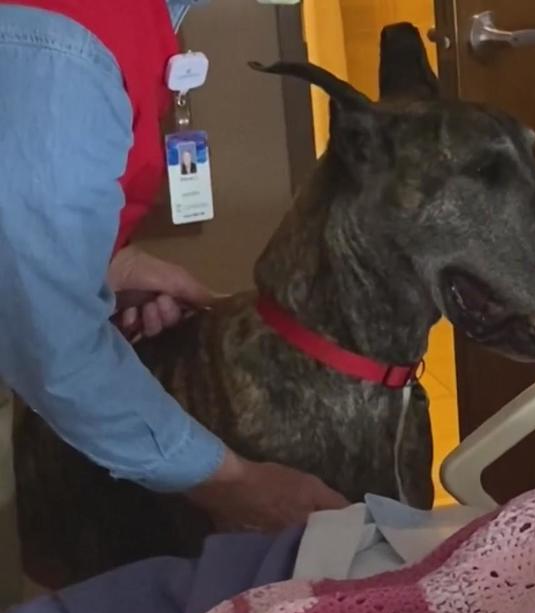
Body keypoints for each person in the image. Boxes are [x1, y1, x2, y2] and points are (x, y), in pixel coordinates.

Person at [0, 0, 349, 536]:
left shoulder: (117, 31)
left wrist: (106, 265)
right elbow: (51, 346)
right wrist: (231, 483)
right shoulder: (60, 63)